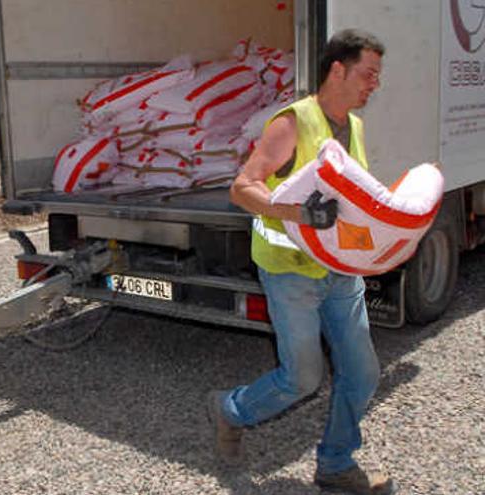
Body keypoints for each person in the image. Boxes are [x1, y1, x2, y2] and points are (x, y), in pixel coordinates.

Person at [216, 29, 396, 495]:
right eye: (368, 73)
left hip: (340, 270)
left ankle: (335, 463)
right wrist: (296, 212)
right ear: (338, 69)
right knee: (302, 378)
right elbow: (242, 187)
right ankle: (229, 410)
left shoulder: (354, 127)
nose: (374, 83)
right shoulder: (293, 122)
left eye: (377, 75)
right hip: (290, 269)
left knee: (363, 373)